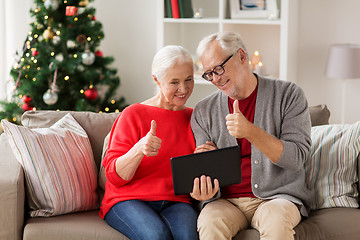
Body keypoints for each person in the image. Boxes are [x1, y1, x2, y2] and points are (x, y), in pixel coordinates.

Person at [190, 31, 313, 240]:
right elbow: (205, 175)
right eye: (209, 73)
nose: (215, 79)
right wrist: (204, 187)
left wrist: (251, 132)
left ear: (241, 56)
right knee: (209, 223)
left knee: (276, 223)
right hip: (225, 202)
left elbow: (297, 158)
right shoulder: (203, 111)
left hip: (277, 198)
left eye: (219, 68)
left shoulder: (289, 95)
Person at [99, 45, 199, 240]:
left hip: (175, 201)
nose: (183, 89)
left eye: (189, 80)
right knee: (156, 235)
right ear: (157, 80)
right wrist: (138, 150)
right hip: (127, 199)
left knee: (189, 236)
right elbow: (115, 177)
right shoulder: (133, 114)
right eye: (174, 82)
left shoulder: (195, 118)